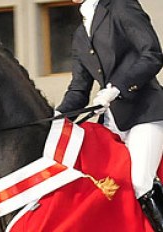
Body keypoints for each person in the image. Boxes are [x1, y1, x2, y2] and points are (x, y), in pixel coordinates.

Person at [56, 0, 163, 230]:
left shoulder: (121, 6)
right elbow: (78, 90)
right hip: (111, 123)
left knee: (139, 183)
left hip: (145, 115)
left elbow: (152, 54)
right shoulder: (80, 34)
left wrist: (117, 88)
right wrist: (55, 117)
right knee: (103, 189)